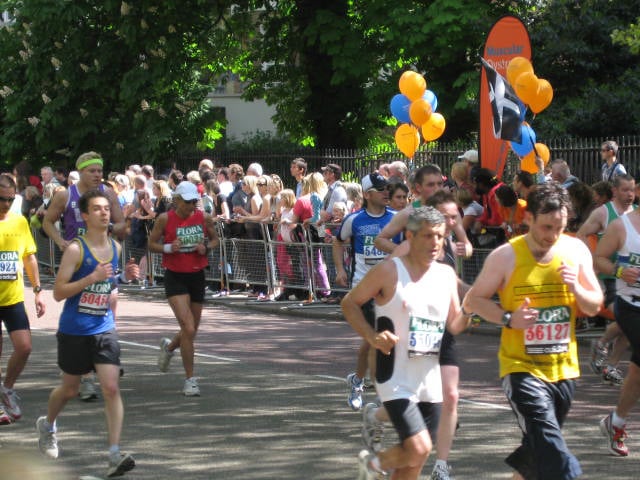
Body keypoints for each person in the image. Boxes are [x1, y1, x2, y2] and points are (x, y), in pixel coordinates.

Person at [463, 182, 602, 480]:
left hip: (563, 369)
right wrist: (509, 318)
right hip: (521, 368)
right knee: (550, 446)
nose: (553, 235)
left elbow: (594, 305)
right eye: (546, 226)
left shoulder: (575, 249)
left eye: (560, 227)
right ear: (528, 219)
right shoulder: (505, 256)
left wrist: (576, 287)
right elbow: (473, 300)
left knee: (537, 453)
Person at [342, 206, 470, 480]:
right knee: (419, 446)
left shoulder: (446, 275)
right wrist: (372, 335)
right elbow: (350, 303)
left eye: (439, 236)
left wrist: (471, 311)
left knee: (415, 459)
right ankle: (373, 464)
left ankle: (378, 467)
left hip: (429, 378)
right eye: (427, 236)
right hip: (395, 377)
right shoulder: (389, 271)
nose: (435, 243)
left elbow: (455, 324)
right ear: (410, 236)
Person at [36, 190, 138, 477]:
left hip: (104, 328)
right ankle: (48, 425)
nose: (104, 213)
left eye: (106, 208)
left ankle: (114, 454)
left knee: (111, 387)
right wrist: (90, 278)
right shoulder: (75, 250)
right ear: (84, 216)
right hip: (74, 330)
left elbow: (110, 283)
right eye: (96, 209)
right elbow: (58, 293)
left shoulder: (116, 248)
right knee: (69, 389)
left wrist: (124, 277)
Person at [43, 152, 127, 402]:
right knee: (80, 305)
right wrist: (60, 242)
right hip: (77, 258)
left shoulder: (108, 195)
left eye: (100, 170)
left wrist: (108, 228)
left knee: (109, 301)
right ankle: (85, 374)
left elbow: (123, 224)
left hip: (103, 255)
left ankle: (103, 358)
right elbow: (47, 222)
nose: (97, 175)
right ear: (80, 172)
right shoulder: (65, 195)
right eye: (92, 171)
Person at [334, 173, 399, 412]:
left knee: (372, 341)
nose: (386, 193)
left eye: (388, 189)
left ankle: (358, 381)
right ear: (368, 194)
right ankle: (381, 391)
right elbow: (337, 241)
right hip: (364, 288)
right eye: (381, 189)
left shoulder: (395, 219)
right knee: (379, 338)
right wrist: (340, 268)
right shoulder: (355, 220)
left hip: (391, 288)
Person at [149, 181, 218, 396]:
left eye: (194, 202)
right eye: (187, 202)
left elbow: (216, 240)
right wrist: (169, 247)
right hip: (175, 276)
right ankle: (190, 380)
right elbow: (151, 244)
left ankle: (169, 348)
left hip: (196, 275)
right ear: (177, 201)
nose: (191, 206)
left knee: (191, 331)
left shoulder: (203, 217)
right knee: (188, 328)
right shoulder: (164, 219)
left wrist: (205, 247)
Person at [577, 174, 636, 386]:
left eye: (632, 190)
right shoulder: (603, 212)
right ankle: (602, 346)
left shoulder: (635, 214)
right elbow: (581, 234)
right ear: (614, 191)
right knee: (629, 320)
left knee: (631, 325)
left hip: (633, 278)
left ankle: (609, 362)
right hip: (610, 275)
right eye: (625, 190)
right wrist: (592, 259)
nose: (630, 195)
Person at [594, 203, 640, 456]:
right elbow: (599, 258)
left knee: (636, 372)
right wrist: (621, 270)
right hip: (630, 305)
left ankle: (616, 422)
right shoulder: (621, 226)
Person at [0, 174, 45, 424]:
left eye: (9, 199)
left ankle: (6, 388)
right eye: (1, 199)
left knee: (25, 346)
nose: (5, 204)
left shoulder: (19, 222)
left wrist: (38, 291)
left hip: (13, 297)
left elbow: (29, 257)